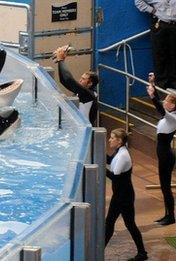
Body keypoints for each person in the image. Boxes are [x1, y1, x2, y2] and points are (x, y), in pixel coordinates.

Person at [105, 128, 148, 261]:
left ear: (119, 141)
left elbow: (114, 176)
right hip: (119, 195)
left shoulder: (123, 155)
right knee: (110, 223)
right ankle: (99, 250)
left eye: (112, 138)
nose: (109, 140)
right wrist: (96, 150)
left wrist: (100, 168)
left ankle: (142, 253)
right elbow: (109, 160)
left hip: (124, 198)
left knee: (129, 225)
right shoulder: (119, 151)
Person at [147, 72, 176, 226]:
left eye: (168, 100)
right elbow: (160, 105)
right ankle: (167, 214)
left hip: (166, 155)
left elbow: (159, 108)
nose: (164, 102)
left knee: (165, 187)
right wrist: (152, 83)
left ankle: (171, 216)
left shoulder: (173, 117)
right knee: (164, 187)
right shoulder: (169, 114)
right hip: (163, 153)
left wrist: (152, 96)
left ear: (174, 105)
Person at [135, 0, 176, 89]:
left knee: (174, 54)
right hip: (159, 24)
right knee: (159, 54)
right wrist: (152, 10)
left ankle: (173, 82)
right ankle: (161, 83)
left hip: (174, 25)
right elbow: (138, 1)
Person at [54, 45, 98, 125]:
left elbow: (69, 80)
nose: (80, 80)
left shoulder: (90, 95)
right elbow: (63, 81)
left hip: (85, 130)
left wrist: (61, 60)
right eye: (81, 78)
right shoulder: (79, 92)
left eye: (84, 79)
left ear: (90, 84)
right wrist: (60, 61)